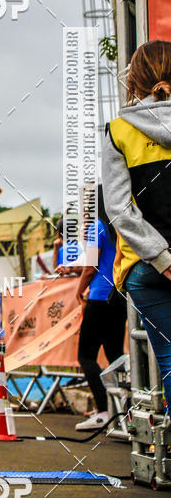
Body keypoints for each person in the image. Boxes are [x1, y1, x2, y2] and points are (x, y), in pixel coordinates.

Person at [103, 39, 171, 412]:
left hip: (145, 267)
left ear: (136, 79)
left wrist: (162, 259)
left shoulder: (120, 129)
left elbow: (118, 208)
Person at [73, 186, 127, 431]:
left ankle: (103, 410)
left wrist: (79, 289)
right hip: (120, 298)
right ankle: (125, 412)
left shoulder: (97, 228)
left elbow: (90, 266)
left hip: (99, 297)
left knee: (86, 355)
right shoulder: (121, 228)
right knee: (115, 355)